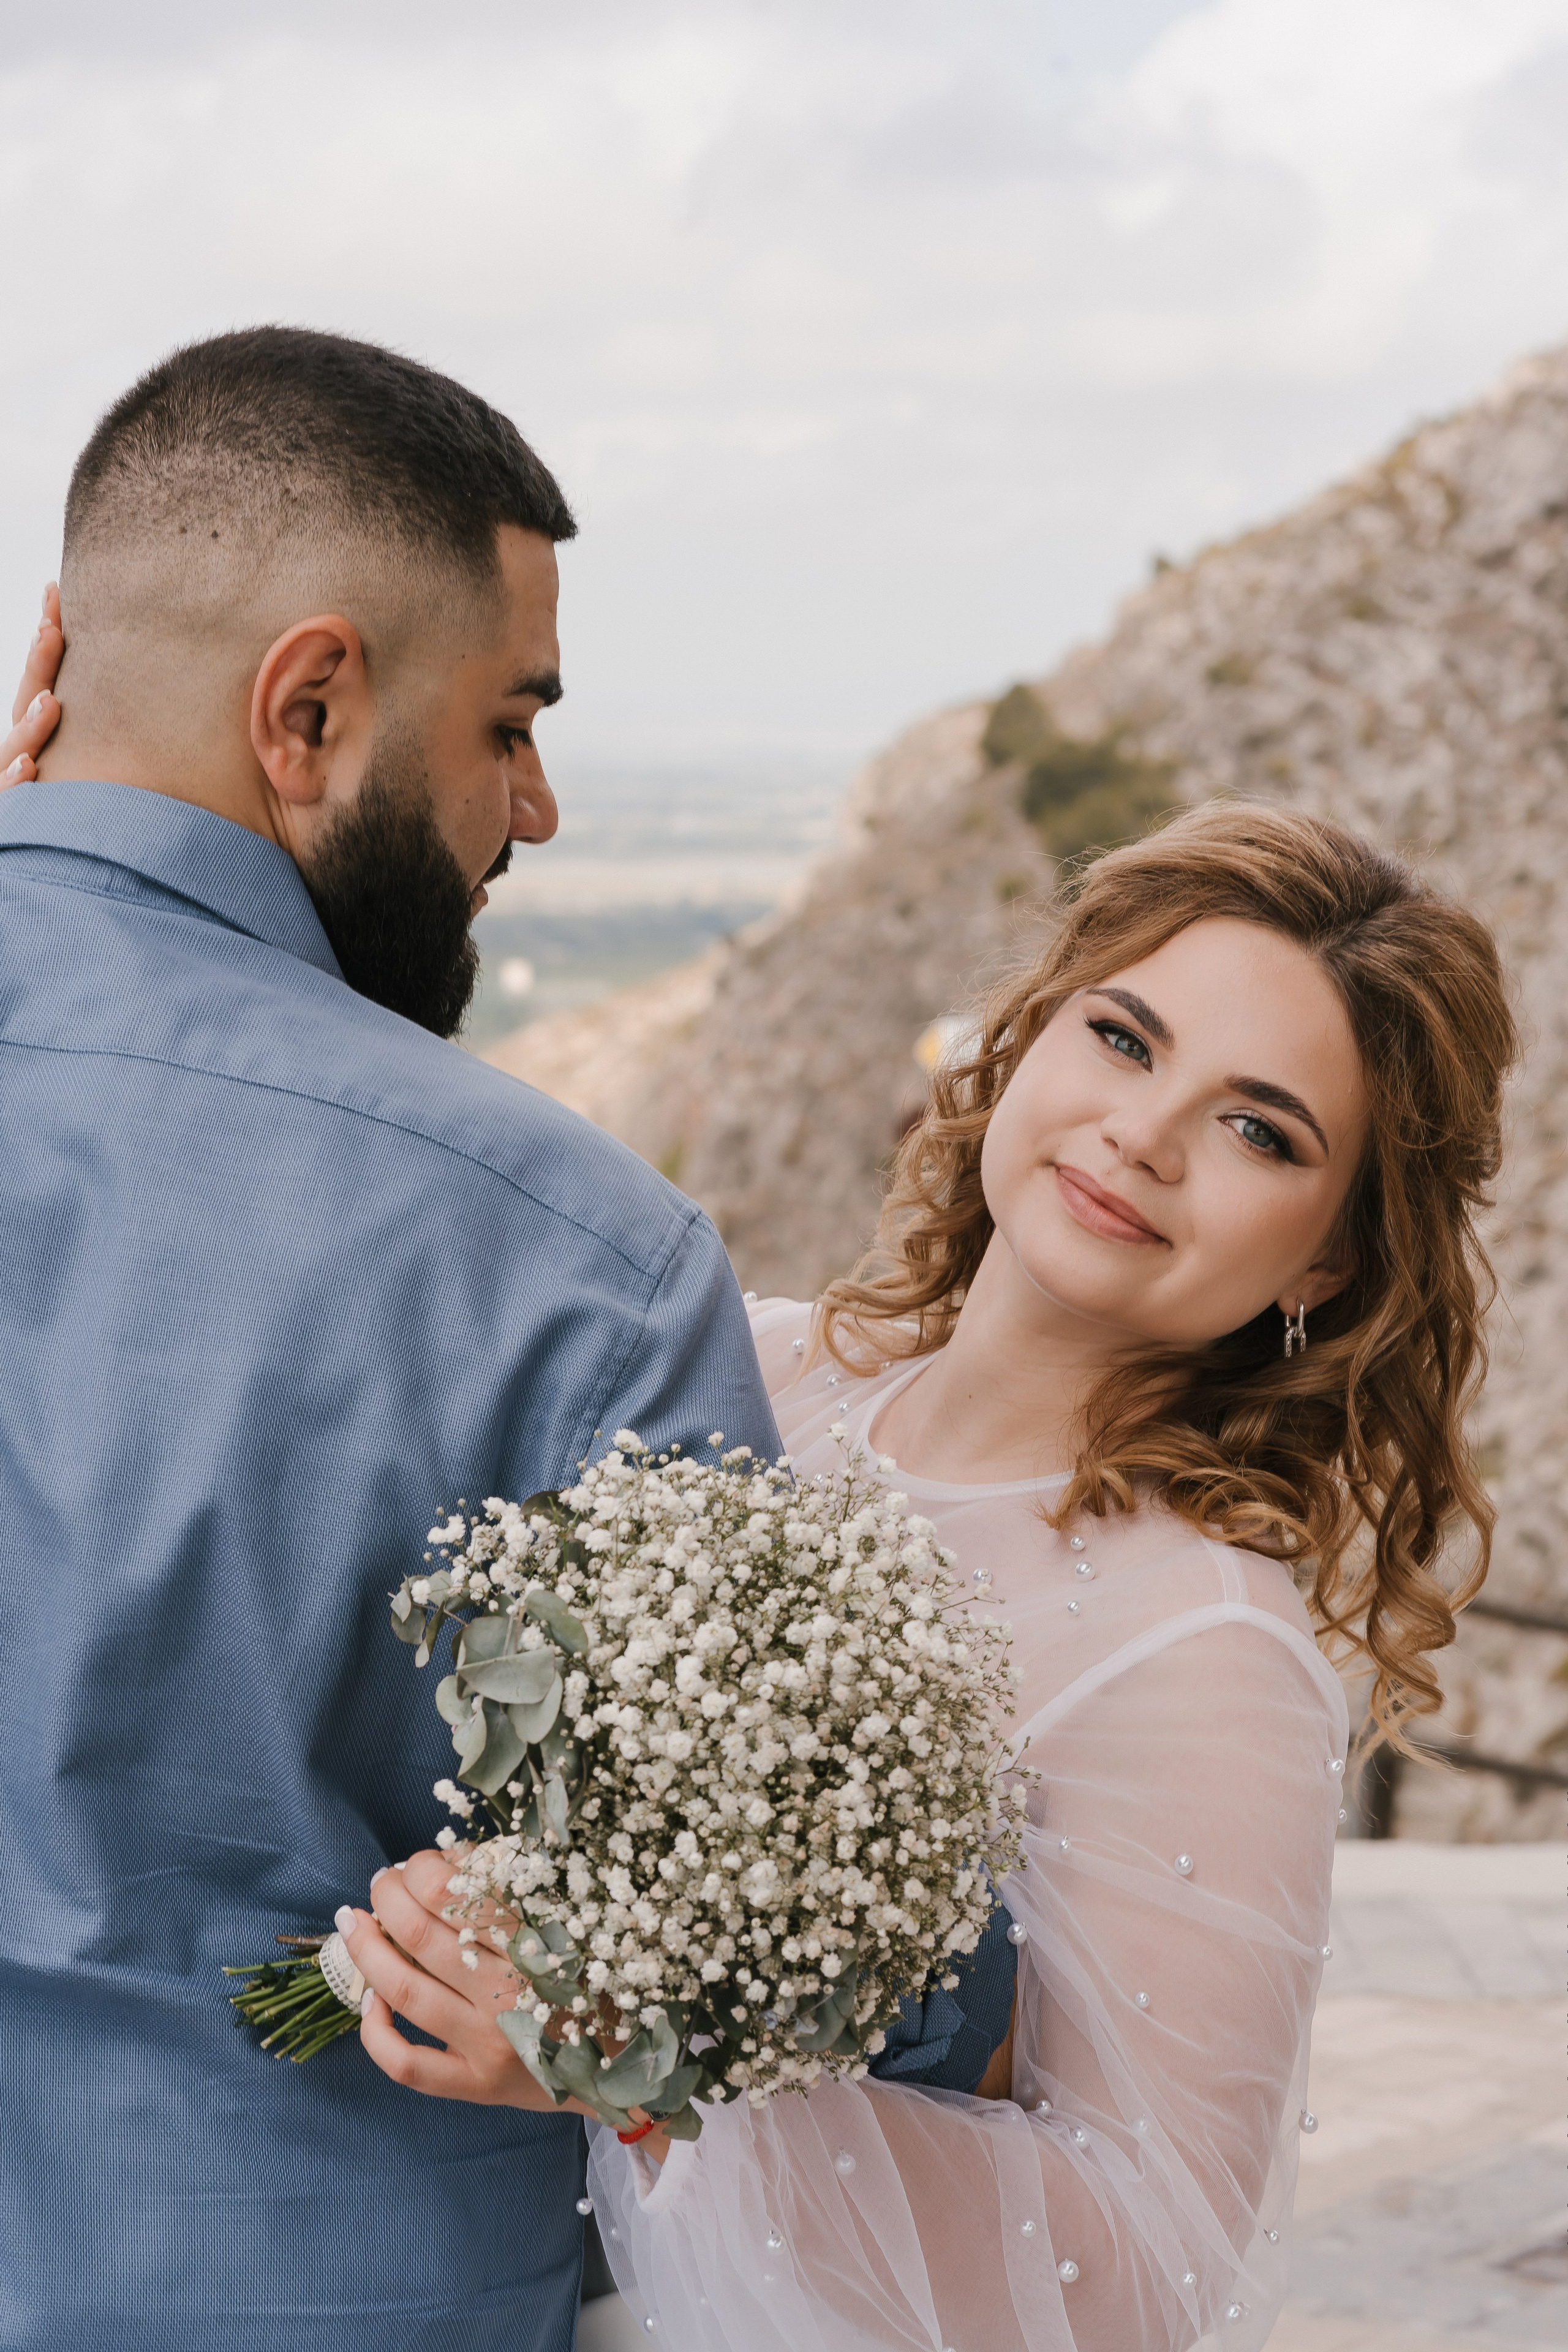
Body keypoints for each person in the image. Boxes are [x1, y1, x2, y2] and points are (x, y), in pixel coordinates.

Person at [333, 802, 1514, 2351]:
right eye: (1122, 1038)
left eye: (1257, 1130)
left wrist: (624, 2059)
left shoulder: (1199, 1650)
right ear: (1029, 1042)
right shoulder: (744, 1368)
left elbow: (1138, 2264)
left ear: (1323, 1265)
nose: (1142, 1134)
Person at [0, 328, 782, 2352]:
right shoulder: (567, 1258)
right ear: (315, 706)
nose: (533, 801)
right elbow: (748, 1939)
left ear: (50, 665)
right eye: (507, 720)